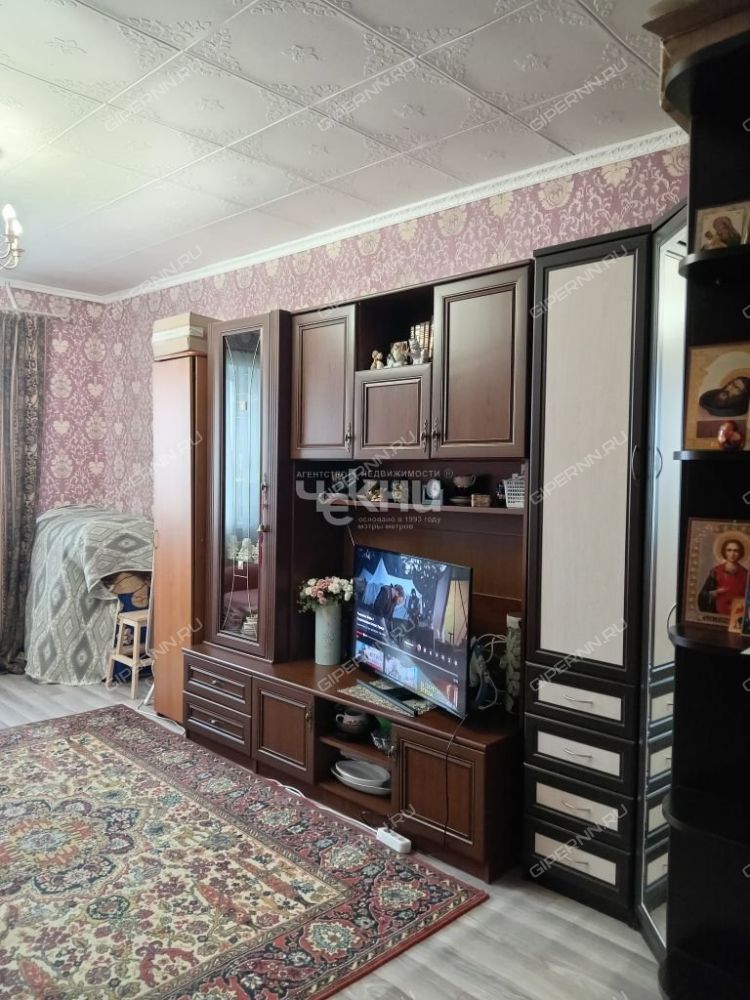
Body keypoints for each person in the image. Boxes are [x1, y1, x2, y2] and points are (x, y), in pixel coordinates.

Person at [698, 538, 748, 617]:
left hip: (737, 613)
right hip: (718, 611)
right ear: (724, 552)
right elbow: (703, 595)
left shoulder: (745, 573)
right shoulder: (716, 571)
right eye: (729, 550)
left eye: (736, 551)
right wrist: (716, 592)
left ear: (740, 553)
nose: (732, 554)